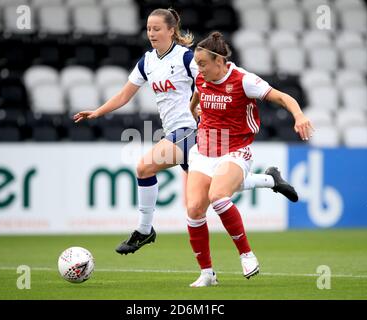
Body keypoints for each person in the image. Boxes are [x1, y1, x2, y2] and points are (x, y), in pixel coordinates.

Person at [73, 8, 297, 256]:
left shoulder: (185, 58)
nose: (151, 33)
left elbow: (211, 78)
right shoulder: (146, 62)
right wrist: (97, 111)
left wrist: (203, 107)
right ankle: (269, 179)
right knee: (216, 189)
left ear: (171, 30)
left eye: (157, 28)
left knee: (145, 167)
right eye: (148, 28)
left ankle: (144, 229)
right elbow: (125, 95)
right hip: (175, 131)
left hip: (192, 129)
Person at [186, 32, 314, 287]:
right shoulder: (202, 76)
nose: (198, 69)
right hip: (203, 150)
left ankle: (246, 254)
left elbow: (282, 97)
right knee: (194, 210)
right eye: (197, 64)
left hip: (235, 150)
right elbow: (198, 94)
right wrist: (193, 110)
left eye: (203, 64)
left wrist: (299, 116)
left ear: (220, 61)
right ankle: (207, 274)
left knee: (218, 196)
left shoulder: (244, 80)